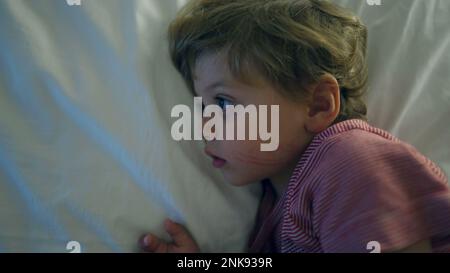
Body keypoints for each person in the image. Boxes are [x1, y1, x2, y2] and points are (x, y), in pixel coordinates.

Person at [138, 0, 450, 253]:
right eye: (202, 107)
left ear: (318, 105)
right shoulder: (277, 199)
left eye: (224, 103)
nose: (205, 126)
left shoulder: (351, 163)